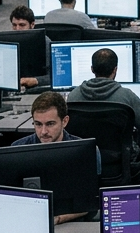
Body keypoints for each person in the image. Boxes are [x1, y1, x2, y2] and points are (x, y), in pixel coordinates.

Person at [67, 47, 140, 161]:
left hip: (85, 162)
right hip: (119, 163)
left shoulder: (73, 96)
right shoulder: (126, 96)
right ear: (115, 70)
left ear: (92, 69)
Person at [12, 91, 97, 222]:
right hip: (27, 221)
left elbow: (88, 205)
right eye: (38, 124)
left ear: (65, 121)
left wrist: (56, 219)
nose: (43, 131)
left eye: (50, 124)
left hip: (71, 223)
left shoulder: (83, 152)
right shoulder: (18, 149)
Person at [8, 5, 52, 91]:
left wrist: (36, 80)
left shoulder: (45, 43)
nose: (17, 29)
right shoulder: (8, 43)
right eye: (14, 25)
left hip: (38, 90)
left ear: (32, 25)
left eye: (22, 25)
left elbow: (55, 76)